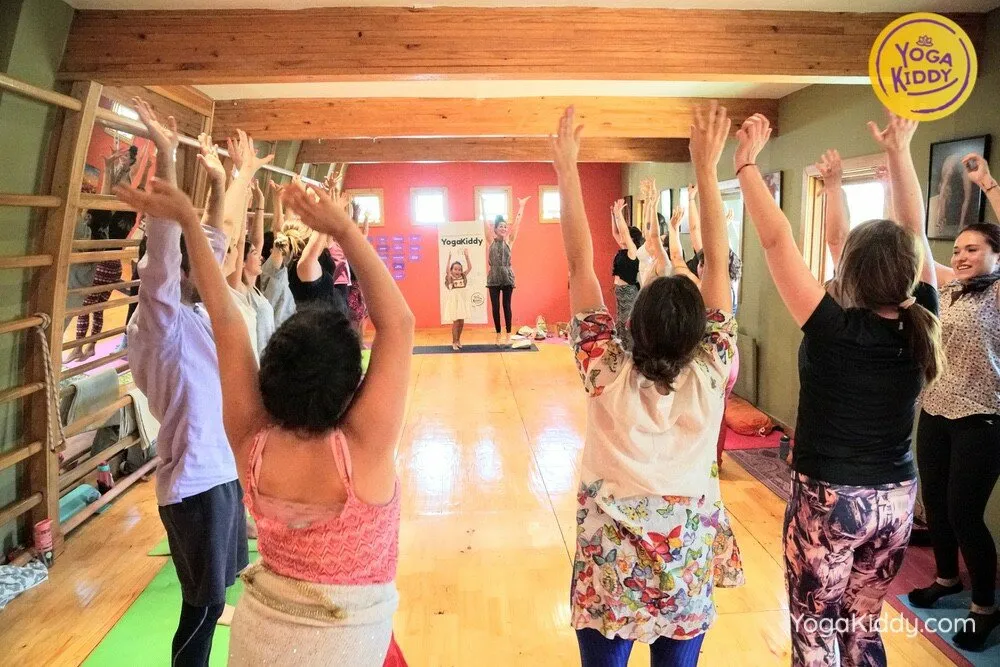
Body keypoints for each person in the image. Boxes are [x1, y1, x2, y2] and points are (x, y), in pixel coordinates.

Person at [120, 171, 413, 665]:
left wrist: (191, 221)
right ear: (351, 388)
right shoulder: (363, 450)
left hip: (260, 643)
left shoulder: (250, 439)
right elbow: (400, 324)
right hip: (347, 648)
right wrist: (342, 228)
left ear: (273, 370)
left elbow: (226, 318)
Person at [735, 110, 943, 666]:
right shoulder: (921, 316)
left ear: (849, 271)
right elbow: (914, 232)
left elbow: (779, 243)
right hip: (898, 500)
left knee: (813, 630)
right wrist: (899, 154)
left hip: (831, 502)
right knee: (861, 625)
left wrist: (746, 165)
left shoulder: (833, 329)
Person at [555, 103, 743, 667]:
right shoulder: (714, 370)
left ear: (631, 326)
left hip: (608, 562)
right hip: (684, 559)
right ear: (700, 332)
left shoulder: (605, 371)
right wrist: (706, 170)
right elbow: (717, 269)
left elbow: (577, 267)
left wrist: (567, 171)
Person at [117, 98, 269, 666]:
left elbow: (214, 236)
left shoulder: (202, 312)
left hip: (221, 473)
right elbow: (163, 257)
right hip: (194, 488)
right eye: (190, 258)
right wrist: (170, 156)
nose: (201, 262)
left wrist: (230, 178)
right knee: (201, 609)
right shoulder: (157, 324)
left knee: (215, 597)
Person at [908, 152, 1000, 651]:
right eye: (959, 248)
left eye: (974, 249)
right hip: (937, 413)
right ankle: (947, 578)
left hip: (983, 421)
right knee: (937, 508)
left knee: (965, 513)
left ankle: (985, 606)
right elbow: (920, 247)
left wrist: (987, 185)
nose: (962, 256)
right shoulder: (954, 289)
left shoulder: (997, 295)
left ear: (997, 255)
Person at [485, 197, 529, 346]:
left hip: (507, 277)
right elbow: (484, 224)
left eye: (505, 226)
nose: (504, 228)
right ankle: (498, 334)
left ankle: (508, 335)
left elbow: (517, 223)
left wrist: (521, 207)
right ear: (495, 229)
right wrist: (483, 206)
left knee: (506, 306)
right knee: (496, 307)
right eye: (501, 227)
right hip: (493, 278)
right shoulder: (490, 241)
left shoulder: (510, 240)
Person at [610, 198, 642, 351]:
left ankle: (630, 352)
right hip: (619, 291)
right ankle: (623, 351)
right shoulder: (622, 250)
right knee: (619, 324)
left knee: (627, 323)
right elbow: (616, 232)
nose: (622, 237)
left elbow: (623, 232)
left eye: (627, 236)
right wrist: (613, 214)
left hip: (629, 291)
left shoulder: (632, 252)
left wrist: (619, 215)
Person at [443, 248, 472, 351]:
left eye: (459, 269)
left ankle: (458, 340)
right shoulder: (450, 278)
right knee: (456, 322)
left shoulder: (463, 276)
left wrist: (467, 256)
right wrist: (449, 258)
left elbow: (470, 267)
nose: (457, 271)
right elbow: (447, 270)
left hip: (462, 302)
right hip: (454, 302)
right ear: (451, 270)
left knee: (461, 322)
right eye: (455, 269)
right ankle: (454, 341)